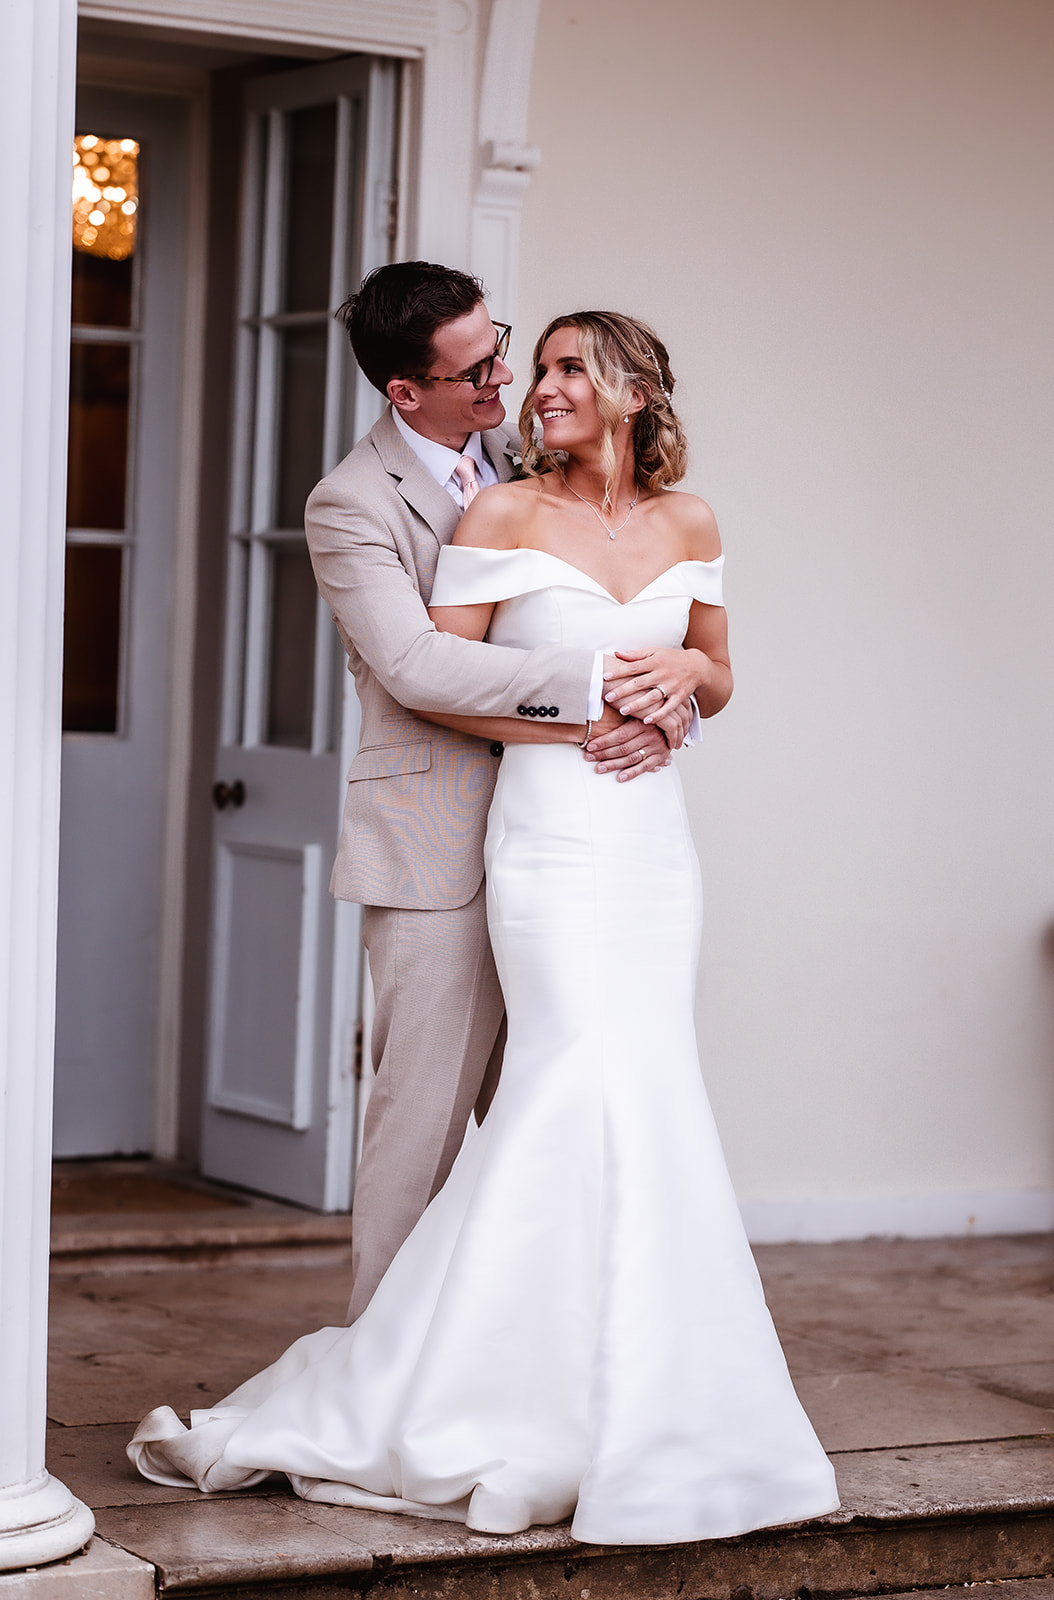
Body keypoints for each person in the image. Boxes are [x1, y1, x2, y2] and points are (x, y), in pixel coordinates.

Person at [128, 309, 839, 1545]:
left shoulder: (692, 521)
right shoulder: (498, 515)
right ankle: (445, 1378)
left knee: (651, 1083)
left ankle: (642, 1388)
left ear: (632, 389)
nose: (535, 387)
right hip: (552, 837)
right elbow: (444, 686)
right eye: (533, 365)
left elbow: (716, 666)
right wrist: (584, 724)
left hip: (653, 846)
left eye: (565, 365)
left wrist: (681, 692)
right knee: (568, 1079)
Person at [301, 263, 680, 1322]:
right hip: (436, 848)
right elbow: (417, 668)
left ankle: (530, 1354)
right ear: (403, 393)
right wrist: (601, 686)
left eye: (501, 347)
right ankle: (382, 1372)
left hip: (569, 843)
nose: (508, 381)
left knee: (555, 1117)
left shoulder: (526, 462)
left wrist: (682, 674)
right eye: (476, 373)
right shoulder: (349, 505)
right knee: (420, 1125)